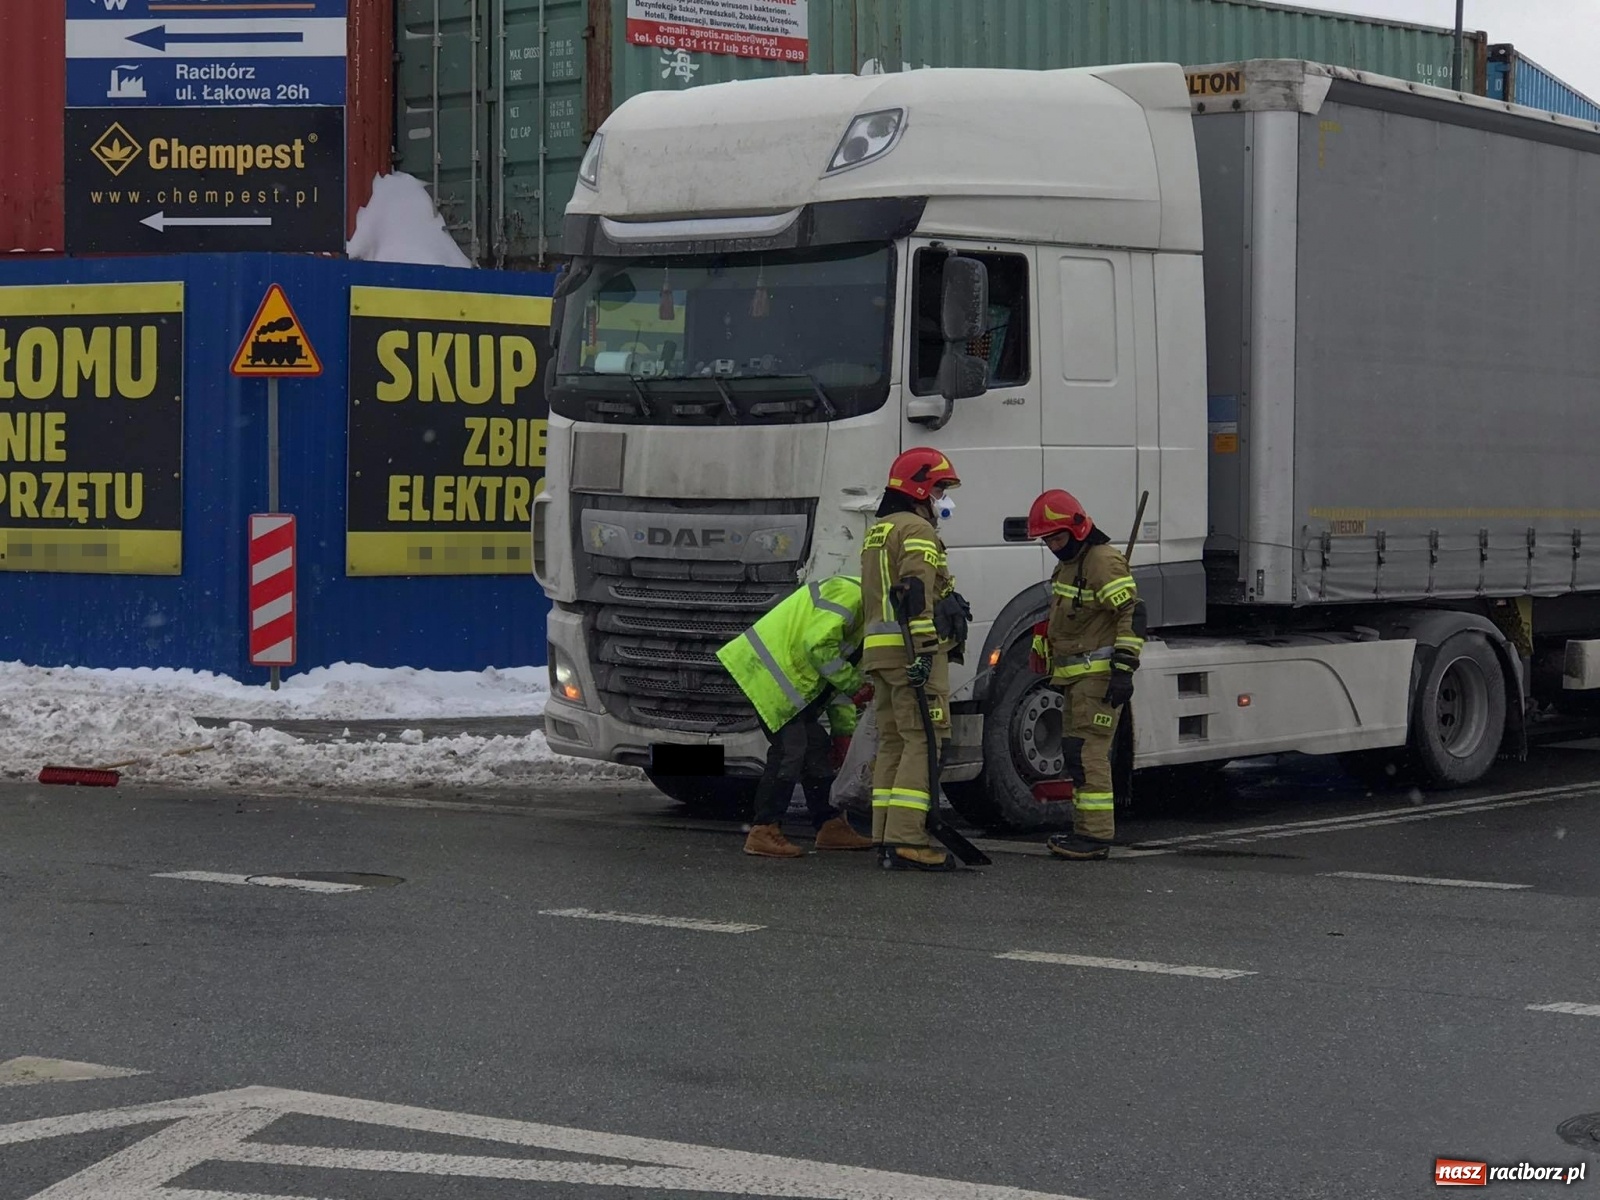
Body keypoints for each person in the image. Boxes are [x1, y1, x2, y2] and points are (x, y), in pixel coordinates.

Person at [860, 447, 969, 871]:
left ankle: (886, 835)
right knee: (924, 739)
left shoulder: (878, 531)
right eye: (940, 488)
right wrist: (924, 652)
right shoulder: (918, 531)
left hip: (880, 654)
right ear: (920, 487)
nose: (942, 497)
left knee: (893, 740)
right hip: (911, 653)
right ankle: (908, 840)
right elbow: (914, 593)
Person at [716, 575, 877, 858]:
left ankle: (829, 825)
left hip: (784, 675)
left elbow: (838, 681)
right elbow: (818, 646)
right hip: (768, 673)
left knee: (816, 747)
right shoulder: (852, 596)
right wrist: (856, 686)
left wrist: (842, 732)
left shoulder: (868, 615)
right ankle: (763, 829)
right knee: (791, 749)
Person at [1027, 489, 1145, 860]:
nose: (1052, 546)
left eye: (1057, 538)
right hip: (1076, 679)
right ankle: (1084, 831)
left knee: (1089, 753)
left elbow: (1132, 614)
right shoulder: (1070, 564)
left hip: (1099, 678)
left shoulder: (1102, 561)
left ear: (1078, 530)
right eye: (1047, 540)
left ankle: (1094, 837)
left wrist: (1123, 669)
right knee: (1076, 753)